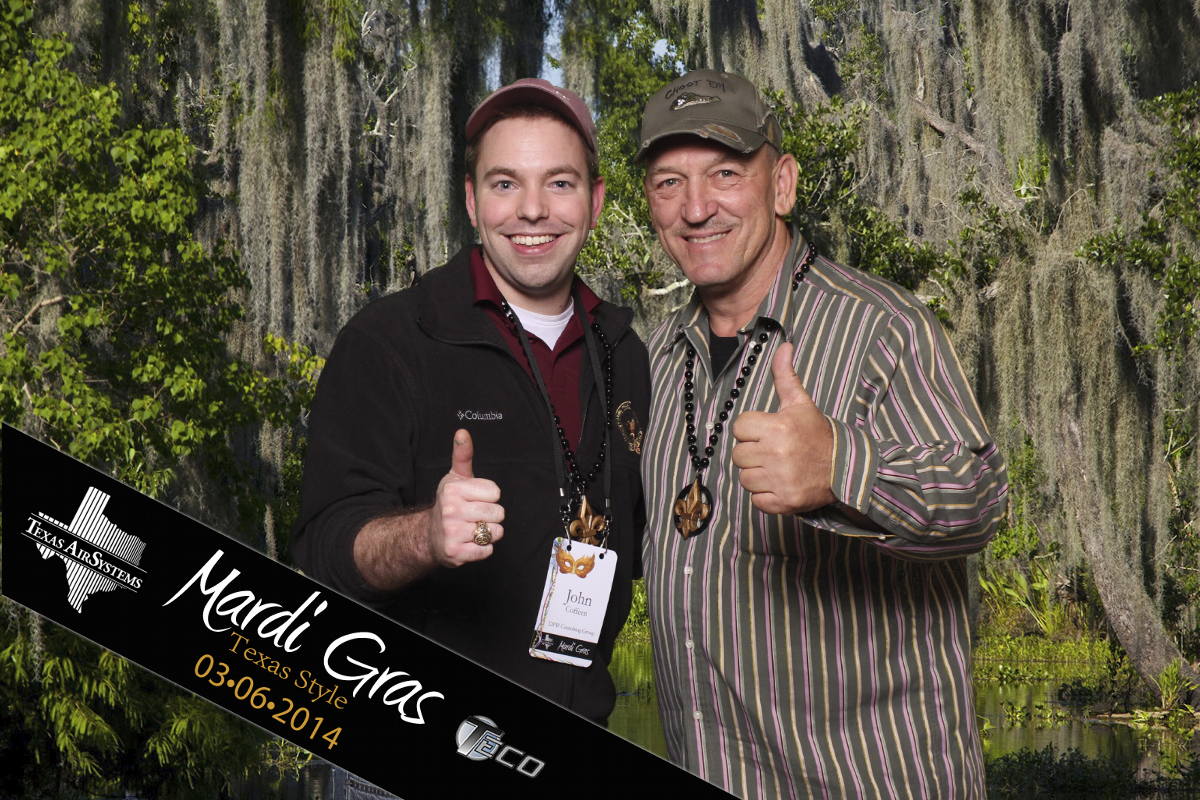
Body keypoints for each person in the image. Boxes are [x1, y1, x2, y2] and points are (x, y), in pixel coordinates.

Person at [636, 69, 1008, 798]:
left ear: (781, 184)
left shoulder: (881, 327)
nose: (696, 207)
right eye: (669, 183)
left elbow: (981, 499)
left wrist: (841, 466)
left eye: (724, 174)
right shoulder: (656, 356)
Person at [293, 78, 649, 724]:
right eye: (505, 183)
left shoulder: (624, 355)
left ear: (595, 201)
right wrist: (425, 536)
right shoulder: (390, 342)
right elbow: (321, 556)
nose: (533, 210)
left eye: (560, 182)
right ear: (471, 201)